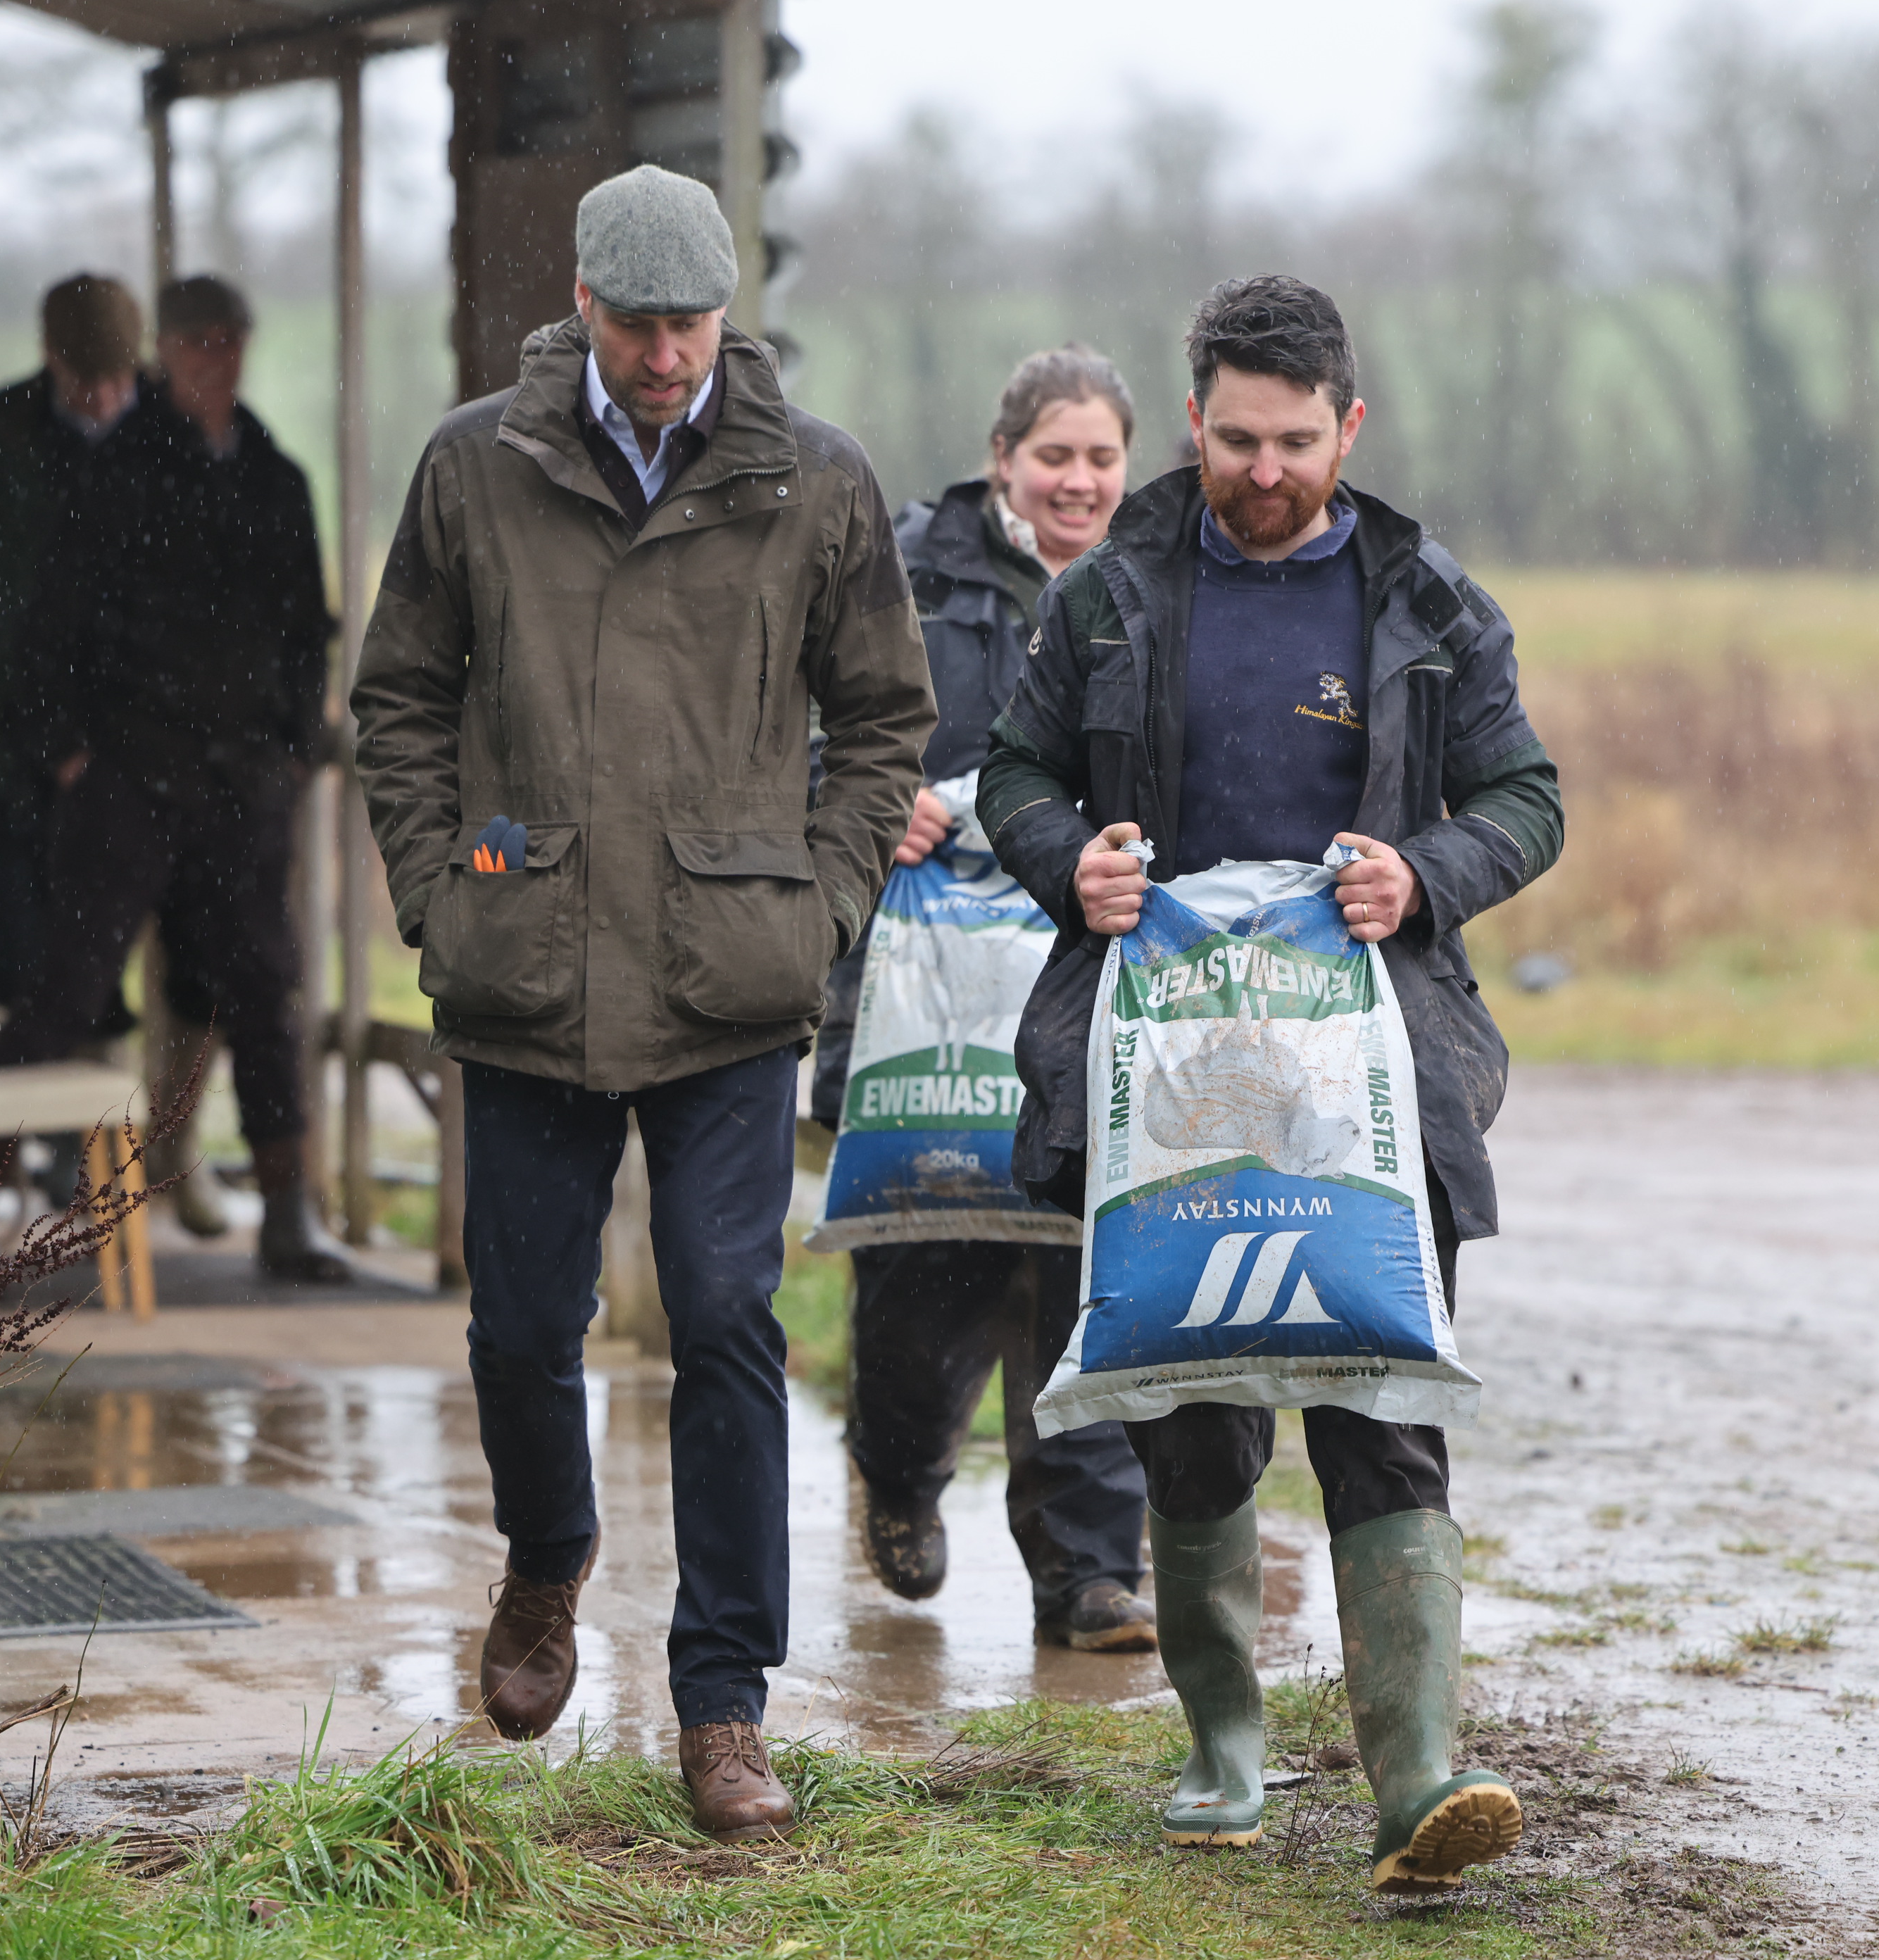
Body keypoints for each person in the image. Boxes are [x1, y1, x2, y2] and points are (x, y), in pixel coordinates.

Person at [349, 165, 935, 1841]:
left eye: (697, 322)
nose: (673, 352)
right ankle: (546, 1557)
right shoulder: (478, 465)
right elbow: (396, 697)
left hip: (728, 977)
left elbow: (883, 718)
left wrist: (821, 901)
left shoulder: (810, 481)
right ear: (586, 306)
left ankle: (723, 1701)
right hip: (524, 962)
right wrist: (433, 883)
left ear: (725, 311)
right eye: (644, 322)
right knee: (523, 1326)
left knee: (725, 1321)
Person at [977, 276, 1564, 1891]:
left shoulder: (1427, 597)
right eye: (1233, 438)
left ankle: (1416, 1778)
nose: (1261, 469)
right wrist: (1063, 857)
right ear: (1193, 418)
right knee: (1190, 1411)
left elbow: (1526, 794)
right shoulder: (1108, 597)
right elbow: (1020, 773)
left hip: (1377, 1067)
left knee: (1383, 1404)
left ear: (1347, 427)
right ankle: (1222, 1740)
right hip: (1160, 1056)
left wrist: (1427, 874)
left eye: (1294, 442)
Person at [810, 346, 1156, 1653]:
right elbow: (803, 706)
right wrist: (856, 789)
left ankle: (1089, 1568)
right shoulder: (902, 567)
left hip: (1091, 974)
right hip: (922, 990)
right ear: (1002, 456)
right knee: (930, 1271)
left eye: (1100, 459)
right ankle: (897, 1465)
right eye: (1054, 455)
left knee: (1088, 1262)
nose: (1078, 481)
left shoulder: (1154, 586)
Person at [0, 274, 350, 1284]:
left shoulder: (274, 476)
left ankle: (289, 1206)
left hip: (242, 788)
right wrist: (67, 749)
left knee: (261, 989)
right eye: (196, 340)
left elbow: (303, 630)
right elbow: (52, 624)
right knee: (65, 985)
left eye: (230, 337)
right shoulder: (117, 477)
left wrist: (290, 743)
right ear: (165, 352)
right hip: (129, 777)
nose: (216, 356)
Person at [0, 274, 146, 1021]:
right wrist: (48, 737)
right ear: (50, 358)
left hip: (140, 751)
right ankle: (31, 1133)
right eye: (86, 380)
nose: (105, 400)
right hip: (15, 748)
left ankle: (95, 1130)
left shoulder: (170, 433)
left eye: (119, 380)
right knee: (23, 961)